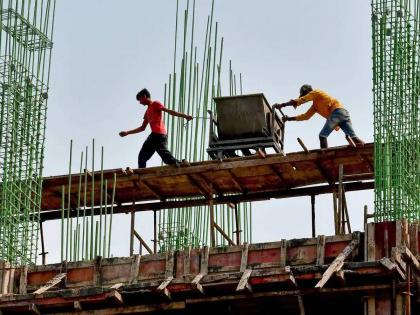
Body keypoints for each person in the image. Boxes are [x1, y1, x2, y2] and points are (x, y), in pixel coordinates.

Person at [119, 88, 193, 168]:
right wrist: (127, 133)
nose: (140, 103)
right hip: (154, 136)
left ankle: (181, 163)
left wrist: (185, 116)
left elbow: (169, 111)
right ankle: (142, 173)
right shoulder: (147, 112)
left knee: (165, 156)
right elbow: (142, 128)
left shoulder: (155, 104)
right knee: (142, 157)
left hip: (159, 135)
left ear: (144, 96)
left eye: (140, 100)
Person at [276, 84, 364, 148]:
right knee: (353, 138)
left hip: (337, 113)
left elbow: (301, 100)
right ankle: (364, 147)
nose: (305, 96)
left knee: (322, 136)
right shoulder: (315, 105)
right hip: (343, 114)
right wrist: (289, 119)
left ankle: (324, 157)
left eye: (305, 94)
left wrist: (283, 105)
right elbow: (306, 116)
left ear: (307, 92)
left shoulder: (316, 92)